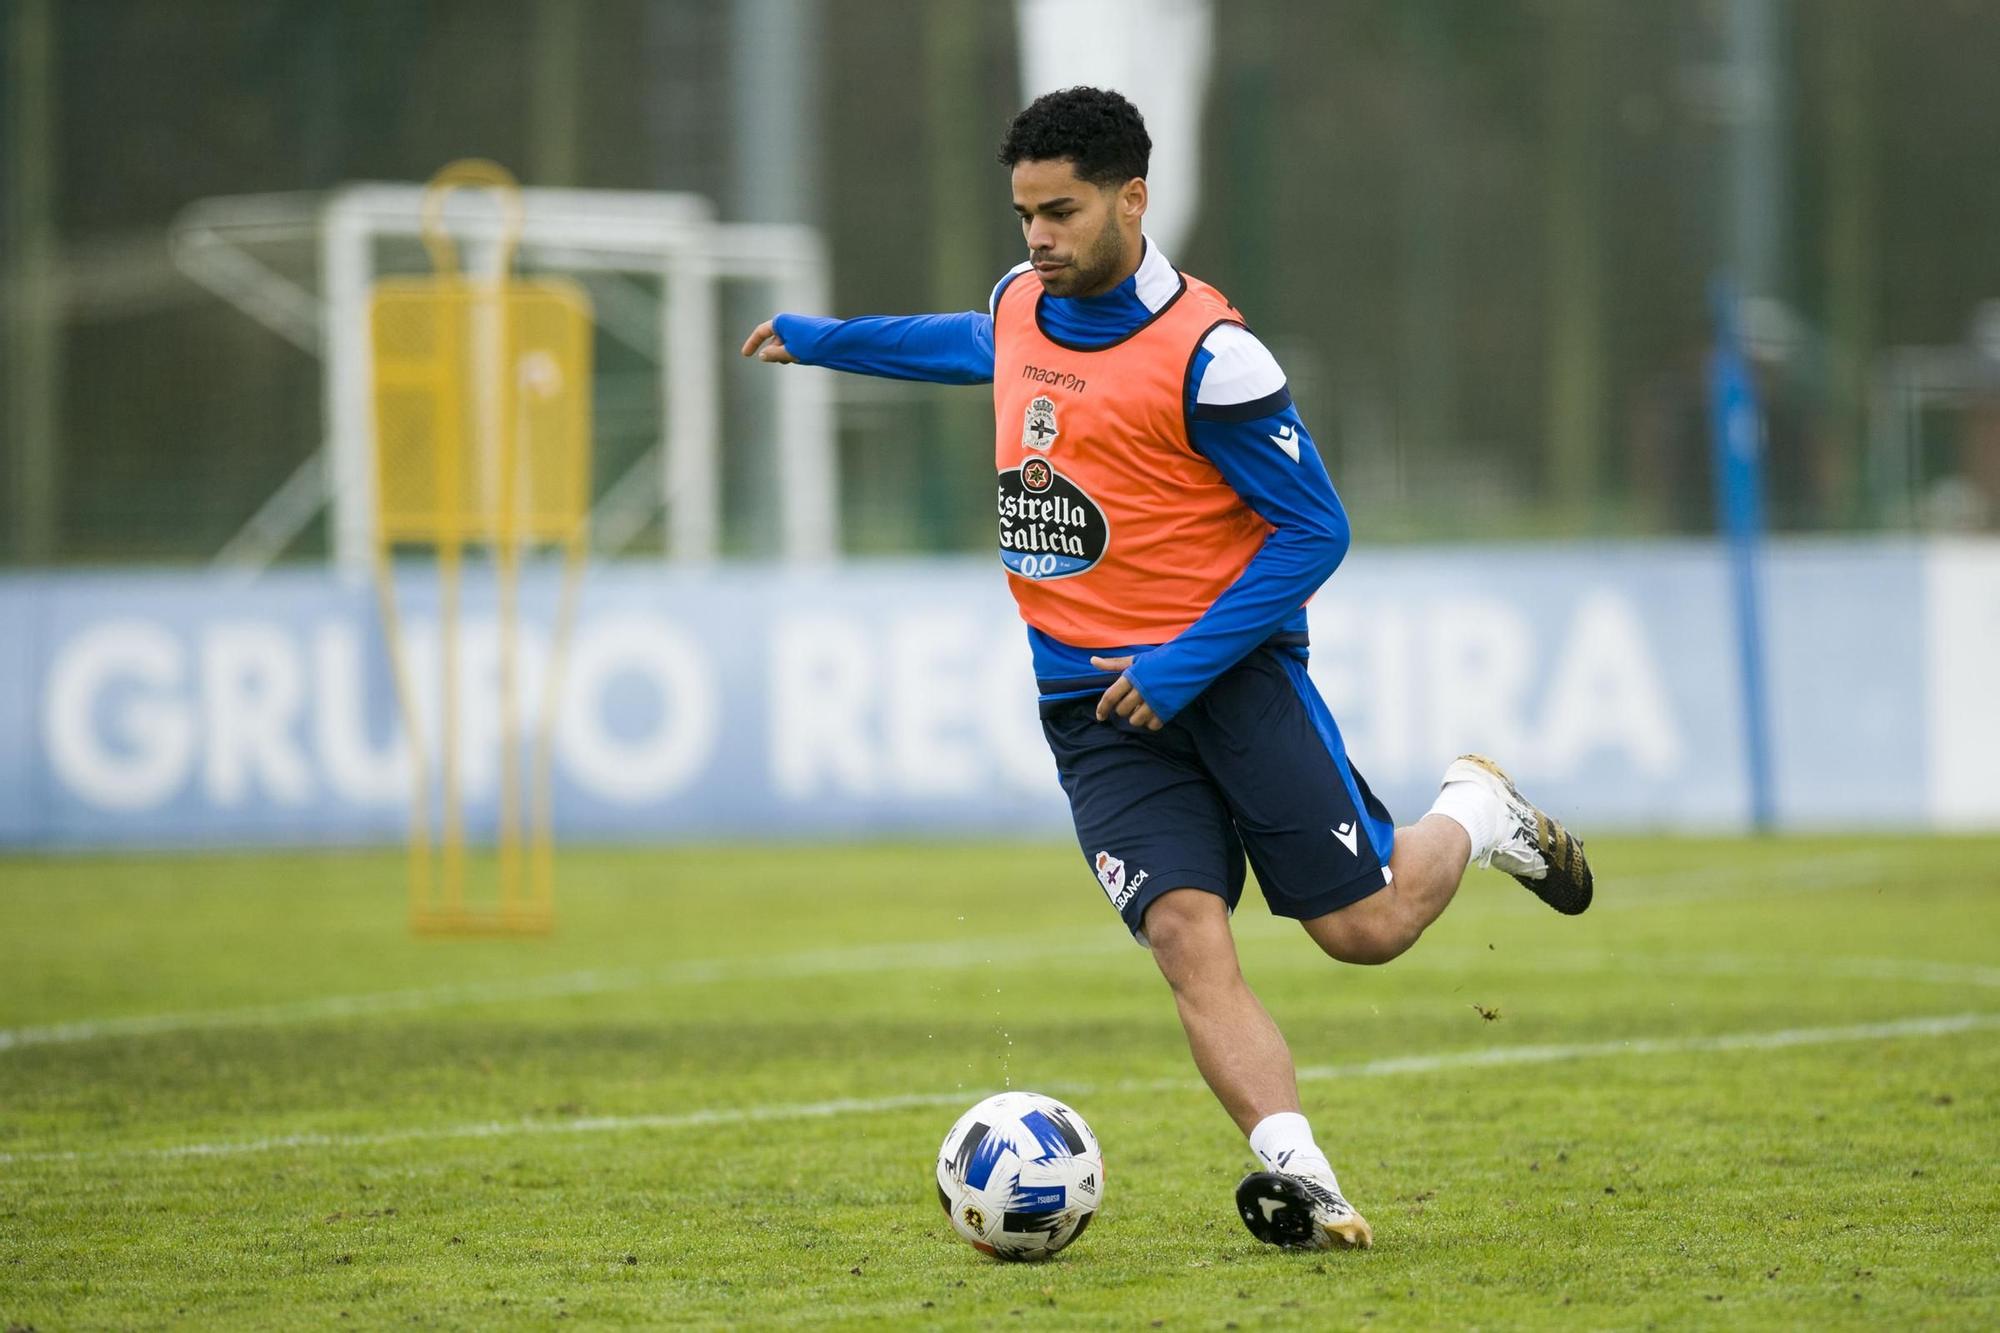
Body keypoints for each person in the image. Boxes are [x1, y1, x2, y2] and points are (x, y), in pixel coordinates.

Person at [742, 86, 1593, 1252]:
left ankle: (1474, 804)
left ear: (1130, 198)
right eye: (1023, 215)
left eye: (1060, 211)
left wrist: (1183, 662)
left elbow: (1313, 530)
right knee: (1187, 932)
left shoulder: (1212, 356)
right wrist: (820, 340)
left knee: (1363, 931)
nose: (1036, 238)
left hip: (1228, 678)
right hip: (1088, 706)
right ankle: (1306, 1180)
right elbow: (971, 342)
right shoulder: (1020, 303)